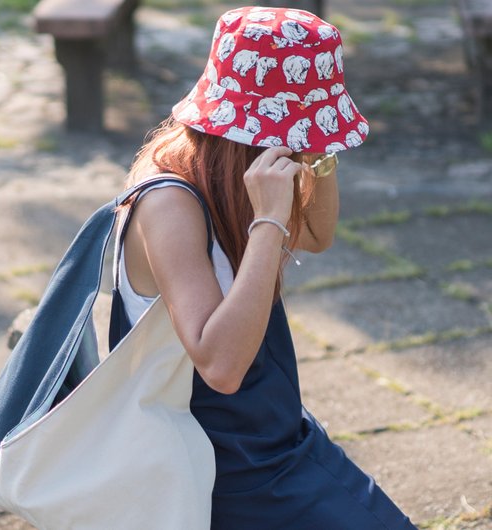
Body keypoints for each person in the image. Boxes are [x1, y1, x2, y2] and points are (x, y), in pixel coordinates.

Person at [109, 6, 418, 529]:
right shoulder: (168, 201)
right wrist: (269, 221)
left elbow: (317, 236)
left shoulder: (238, 174)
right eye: (300, 130)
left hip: (269, 425)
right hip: (212, 453)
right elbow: (220, 368)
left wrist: (319, 147)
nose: (304, 145)